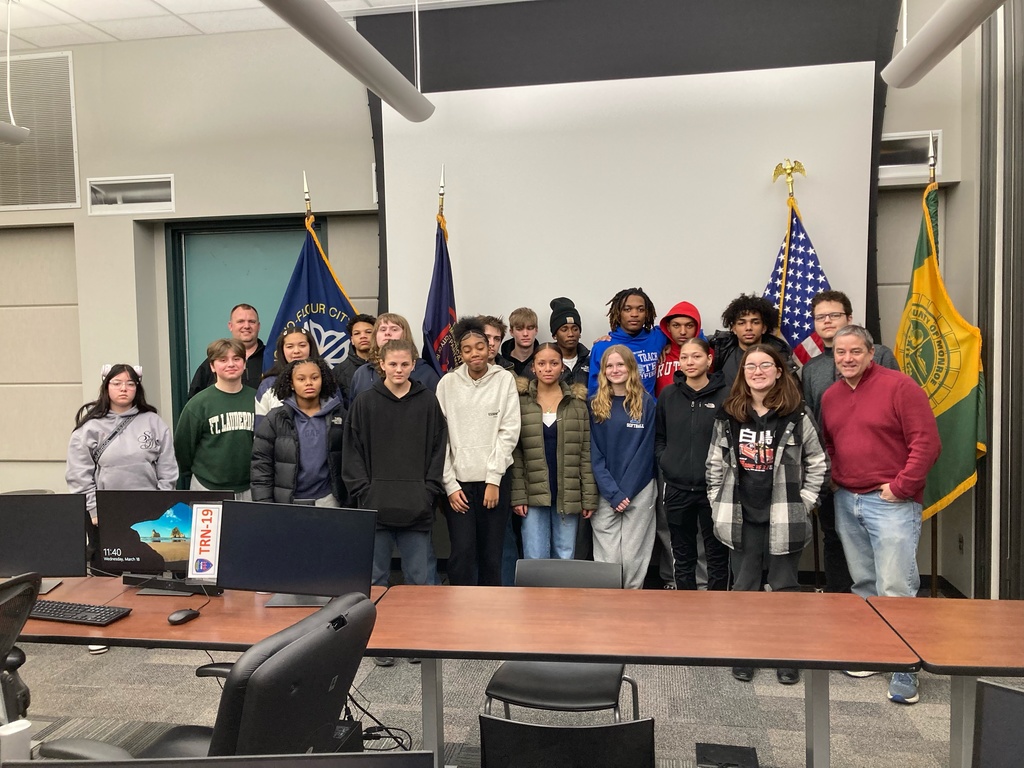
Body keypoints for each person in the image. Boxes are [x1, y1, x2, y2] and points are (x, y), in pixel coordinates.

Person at [821, 325, 940, 705]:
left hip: (891, 502)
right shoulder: (831, 396)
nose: (848, 358)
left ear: (871, 353)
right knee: (865, 584)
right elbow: (831, 444)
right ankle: (875, 653)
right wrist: (837, 478)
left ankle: (905, 667)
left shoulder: (900, 387)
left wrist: (903, 487)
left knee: (896, 587)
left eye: (855, 351)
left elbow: (927, 442)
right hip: (847, 500)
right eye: (841, 352)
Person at [706, 343, 829, 686]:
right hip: (741, 515)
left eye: (765, 366)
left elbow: (818, 462)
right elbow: (715, 464)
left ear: (778, 371)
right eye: (751, 367)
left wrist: (805, 502)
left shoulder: (797, 414)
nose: (757, 372)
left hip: (784, 514)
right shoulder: (729, 415)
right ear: (742, 374)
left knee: (785, 588)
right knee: (744, 587)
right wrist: (716, 502)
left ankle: (786, 656)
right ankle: (745, 652)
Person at [801, 290, 899, 594]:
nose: (827, 321)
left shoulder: (879, 355)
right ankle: (839, 604)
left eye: (834, 315)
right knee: (834, 539)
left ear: (850, 318)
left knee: (882, 545)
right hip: (832, 475)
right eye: (820, 317)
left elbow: (897, 408)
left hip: (879, 475)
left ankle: (883, 611)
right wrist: (822, 472)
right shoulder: (811, 368)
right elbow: (812, 423)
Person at [344, 338, 446, 589]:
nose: (398, 369)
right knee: (374, 583)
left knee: (419, 583)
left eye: (404, 364)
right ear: (381, 364)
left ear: (413, 365)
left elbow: (438, 450)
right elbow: (352, 452)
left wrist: (428, 492)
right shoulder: (364, 402)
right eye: (392, 364)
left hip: (417, 508)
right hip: (374, 508)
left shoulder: (428, 401)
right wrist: (365, 493)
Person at [436, 316, 521, 586]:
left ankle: (489, 608)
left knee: (491, 554)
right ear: (460, 354)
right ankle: (459, 606)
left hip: (493, 482)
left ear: (489, 348)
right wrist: (450, 485)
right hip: (458, 485)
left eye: (480, 347)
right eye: (467, 349)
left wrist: (493, 480)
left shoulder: (504, 380)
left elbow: (509, 432)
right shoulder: (447, 384)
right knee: (462, 552)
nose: (475, 353)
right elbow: (440, 439)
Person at [655, 338, 730, 591]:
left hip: (714, 489)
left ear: (709, 360)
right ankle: (685, 606)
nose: (690, 362)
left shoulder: (726, 395)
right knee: (682, 555)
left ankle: (718, 605)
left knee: (717, 555)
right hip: (677, 488)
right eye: (684, 357)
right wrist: (666, 460)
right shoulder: (668, 395)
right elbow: (660, 436)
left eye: (696, 356)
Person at [511, 343, 597, 560]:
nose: (547, 368)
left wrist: (588, 497)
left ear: (562, 367)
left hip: (567, 494)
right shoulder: (521, 404)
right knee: (535, 556)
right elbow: (516, 455)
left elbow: (585, 453)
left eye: (554, 363)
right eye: (541, 363)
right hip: (533, 494)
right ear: (533, 368)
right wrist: (518, 495)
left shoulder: (577, 405)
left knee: (565, 556)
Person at [66, 364, 177, 526]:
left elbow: (168, 469)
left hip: (150, 510)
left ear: (137, 388)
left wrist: (162, 504)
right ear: (106, 386)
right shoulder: (90, 427)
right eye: (117, 383)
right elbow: (78, 474)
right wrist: (94, 509)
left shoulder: (154, 422)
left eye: (130, 384)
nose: (123, 388)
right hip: (106, 511)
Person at [589, 345, 657, 589]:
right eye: (609, 365)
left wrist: (626, 491)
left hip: (639, 489)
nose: (615, 370)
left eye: (620, 364)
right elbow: (593, 452)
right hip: (605, 490)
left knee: (632, 557)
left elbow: (647, 450)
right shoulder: (593, 405)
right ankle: (607, 603)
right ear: (603, 370)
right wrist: (612, 492)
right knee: (608, 558)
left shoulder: (647, 404)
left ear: (631, 368)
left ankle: (631, 601)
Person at [251, 357, 346, 506]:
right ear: (291, 384)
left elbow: (351, 460)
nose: (309, 383)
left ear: (323, 380)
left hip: (329, 500)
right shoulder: (275, 419)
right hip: (288, 502)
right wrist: (265, 504)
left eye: (315, 378)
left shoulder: (339, 415)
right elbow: (261, 465)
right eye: (301, 379)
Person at [174, 338, 256, 497]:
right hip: (207, 486)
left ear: (244, 363)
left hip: (249, 487)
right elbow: (183, 447)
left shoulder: (257, 399)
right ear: (212, 366)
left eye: (236, 359)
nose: (231, 364)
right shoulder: (198, 404)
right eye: (223, 360)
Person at [588, 288, 667, 397]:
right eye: (627, 309)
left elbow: (687, 334)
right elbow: (594, 391)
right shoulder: (602, 347)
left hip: (650, 406)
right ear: (618, 313)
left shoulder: (659, 337)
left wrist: (669, 345)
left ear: (647, 313)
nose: (634, 314)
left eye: (640, 309)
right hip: (616, 407)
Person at [707, 294, 794, 386]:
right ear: (733, 328)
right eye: (741, 323)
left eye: (755, 322)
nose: (748, 328)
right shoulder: (720, 348)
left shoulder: (780, 355)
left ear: (764, 328)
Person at [348, 313, 440, 400]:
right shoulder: (362, 373)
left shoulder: (425, 372)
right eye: (383, 329)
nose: (387, 333)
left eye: (394, 329)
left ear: (405, 334)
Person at [187, 304, 265, 399]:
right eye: (240, 321)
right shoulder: (215, 362)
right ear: (230, 326)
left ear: (258, 326)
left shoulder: (272, 359)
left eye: (251, 322)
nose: (246, 326)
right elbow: (195, 400)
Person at [254, 326, 321, 428]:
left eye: (302, 345)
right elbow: (261, 430)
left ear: (311, 347)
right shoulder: (268, 385)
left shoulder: (326, 380)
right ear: (281, 350)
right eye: (290, 347)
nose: (296, 351)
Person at [654, 301, 703, 397]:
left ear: (697, 328)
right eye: (676, 325)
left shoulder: (706, 355)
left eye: (689, 326)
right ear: (668, 327)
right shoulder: (658, 353)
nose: (683, 332)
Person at [333, 313, 376, 406]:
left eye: (368, 332)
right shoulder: (338, 371)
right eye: (357, 333)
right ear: (352, 340)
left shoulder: (387, 366)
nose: (363, 336)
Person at [547, 297, 591, 385]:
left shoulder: (591, 360)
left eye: (575, 329)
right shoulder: (544, 363)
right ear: (554, 335)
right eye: (564, 329)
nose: (570, 334)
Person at [499, 307, 540, 377]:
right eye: (519, 329)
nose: (525, 334)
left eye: (530, 328)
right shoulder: (500, 364)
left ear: (536, 330)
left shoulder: (544, 363)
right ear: (511, 332)